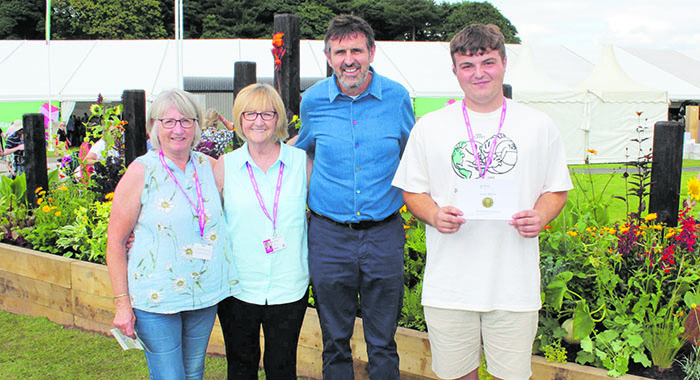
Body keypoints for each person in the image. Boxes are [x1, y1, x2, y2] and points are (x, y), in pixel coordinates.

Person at [392, 24, 572, 380]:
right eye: (467, 65)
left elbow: (556, 189)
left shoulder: (538, 125)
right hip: (450, 285)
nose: (479, 73)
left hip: (513, 285)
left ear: (504, 63)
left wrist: (541, 215)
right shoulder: (430, 127)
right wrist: (433, 214)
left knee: (513, 376)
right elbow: (412, 190)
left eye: (488, 62)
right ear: (455, 71)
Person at [294, 15, 415, 380]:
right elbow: (301, 153)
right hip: (329, 237)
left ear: (372, 52)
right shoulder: (313, 101)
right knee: (334, 340)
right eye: (340, 51)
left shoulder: (396, 98)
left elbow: (416, 157)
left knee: (382, 341)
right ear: (328, 57)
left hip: (383, 234)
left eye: (357, 50)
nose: (349, 59)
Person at [106, 89, 239, 380]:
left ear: (196, 127)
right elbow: (116, 241)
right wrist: (122, 303)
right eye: (168, 122)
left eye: (186, 121)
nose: (178, 129)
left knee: (194, 372)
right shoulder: (142, 171)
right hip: (157, 298)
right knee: (170, 376)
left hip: (203, 295)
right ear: (155, 126)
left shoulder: (210, 167)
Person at [215, 83, 312, 380]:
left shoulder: (301, 163)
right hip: (238, 287)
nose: (258, 121)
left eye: (267, 114)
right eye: (250, 114)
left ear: (278, 118)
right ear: (240, 119)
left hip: (288, 285)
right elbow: (203, 220)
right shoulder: (225, 167)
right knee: (241, 366)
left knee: (282, 367)